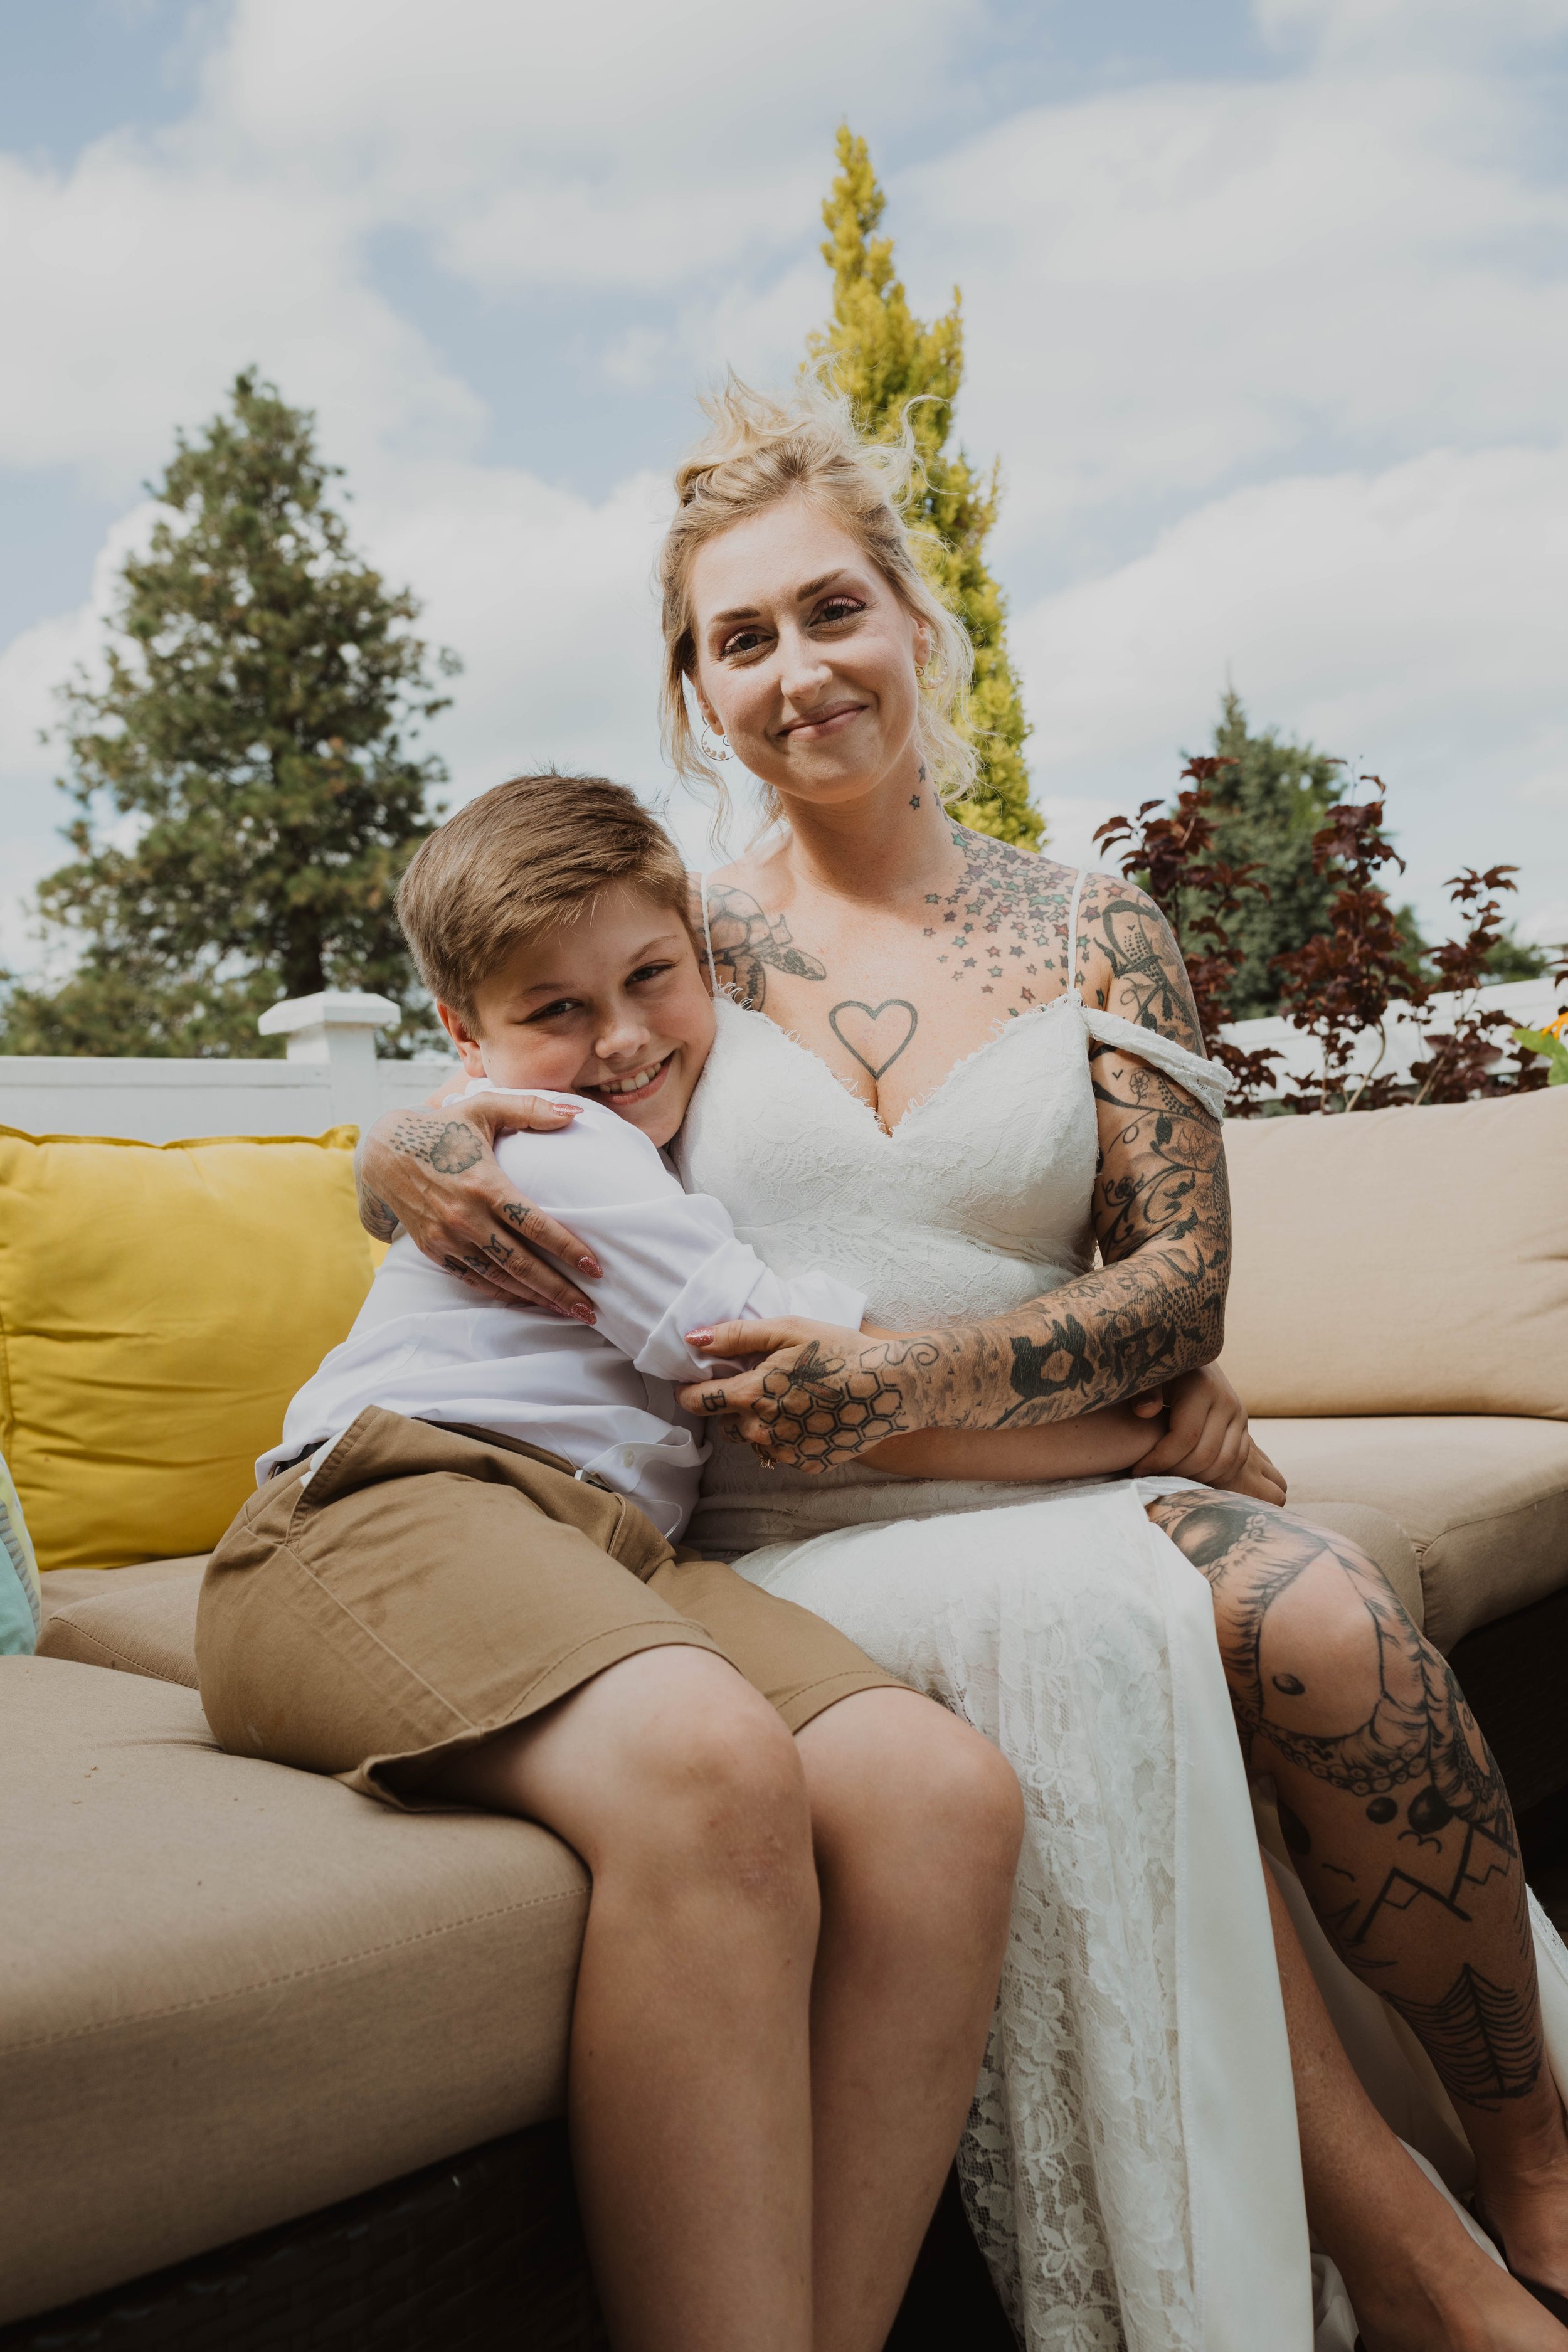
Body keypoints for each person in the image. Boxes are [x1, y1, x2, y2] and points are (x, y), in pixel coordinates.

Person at [355, 384, 1568, 2352]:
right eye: (736, 639)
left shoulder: (1098, 924)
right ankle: (1423, 2279)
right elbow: (512, 1077)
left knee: (1325, 1616)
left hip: (1040, 1466)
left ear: (919, 621)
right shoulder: (684, 944)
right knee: (1127, 1648)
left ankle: (1530, 2159)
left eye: (828, 609)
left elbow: (1178, 1274)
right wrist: (384, 1146)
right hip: (779, 1528)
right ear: (694, 693)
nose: (796, 668)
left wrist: (939, 1372)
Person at [196, 773, 1031, 2352]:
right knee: (711, 1767)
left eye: (652, 977)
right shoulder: (560, 1144)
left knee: (939, 1799)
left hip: (599, 1544)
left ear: (700, 952)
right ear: (469, 1033)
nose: (624, 1036)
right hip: (375, 1509)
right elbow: (816, 1378)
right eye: (555, 1008)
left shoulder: (696, 1128)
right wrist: (1142, 1416)